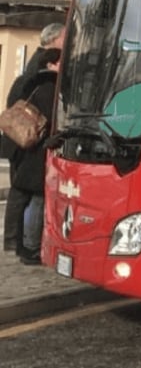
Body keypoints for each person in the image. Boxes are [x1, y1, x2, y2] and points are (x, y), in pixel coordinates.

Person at [4, 22, 64, 253]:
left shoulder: (33, 75)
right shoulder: (42, 79)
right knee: (32, 194)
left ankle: (15, 242)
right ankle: (26, 244)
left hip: (22, 141)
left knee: (21, 192)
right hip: (30, 144)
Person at [12, 47, 61, 266]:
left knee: (30, 199)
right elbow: (52, 119)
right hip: (39, 152)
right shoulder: (50, 87)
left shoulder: (33, 84)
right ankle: (31, 246)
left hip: (28, 149)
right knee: (37, 199)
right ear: (51, 64)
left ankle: (24, 244)